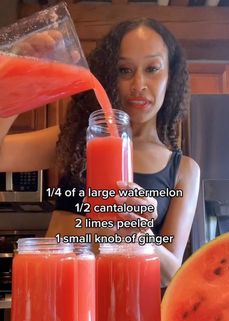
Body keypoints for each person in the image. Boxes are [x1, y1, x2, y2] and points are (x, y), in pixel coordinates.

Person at [0, 18, 200, 287]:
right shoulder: (76, 138)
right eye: (124, 70)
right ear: (109, 75)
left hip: (124, 309)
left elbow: (174, 276)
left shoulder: (183, 170)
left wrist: (140, 236)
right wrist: (15, 77)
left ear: (170, 76)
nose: (139, 83)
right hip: (57, 294)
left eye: (152, 68)